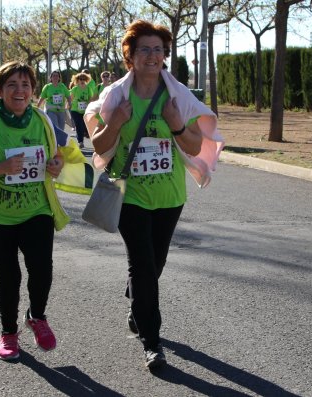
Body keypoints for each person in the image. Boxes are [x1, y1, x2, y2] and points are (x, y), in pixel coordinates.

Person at [84, 20, 224, 369]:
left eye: (158, 49)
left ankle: (137, 301)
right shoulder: (115, 96)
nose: (152, 56)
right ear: (129, 56)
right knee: (143, 266)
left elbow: (194, 143)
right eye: (144, 49)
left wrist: (176, 124)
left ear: (165, 55)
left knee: (155, 263)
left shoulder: (178, 96)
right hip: (129, 194)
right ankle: (152, 341)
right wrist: (114, 122)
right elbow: (99, 146)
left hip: (170, 196)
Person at [0, 61, 69, 361]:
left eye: (26, 85)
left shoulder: (43, 120)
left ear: (34, 90)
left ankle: (37, 316)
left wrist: (57, 165)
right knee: (8, 277)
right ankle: (8, 332)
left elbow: (59, 156)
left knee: (42, 269)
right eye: (12, 85)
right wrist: (1, 168)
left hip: (36, 210)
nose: (20, 91)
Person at [69, 72, 92, 148]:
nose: (82, 80)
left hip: (85, 111)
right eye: (80, 79)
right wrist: (68, 105)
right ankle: (80, 142)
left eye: (83, 79)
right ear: (77, 80)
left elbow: (91, 98)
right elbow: (70, 99)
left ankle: (83, 135)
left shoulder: (88, 88)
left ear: (86, 80)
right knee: (79, 125)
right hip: (75, 110)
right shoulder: (75, 89)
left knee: (83, 125)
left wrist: (88, 103)